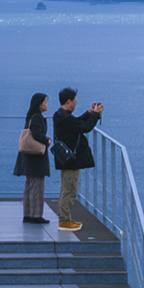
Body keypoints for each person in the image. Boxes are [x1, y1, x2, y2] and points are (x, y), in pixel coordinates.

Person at [51, 88, 104, 232]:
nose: (75, 104)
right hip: (71, 160)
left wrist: (89, 113)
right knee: (70, 189)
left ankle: (65, 217)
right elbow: (85, 127)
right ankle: (64, 221)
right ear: (68, 102)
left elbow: (77, 122)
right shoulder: (65, 118)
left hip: (66, 158)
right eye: (74, 101)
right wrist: (96, 115)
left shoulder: (60, 115)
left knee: (66, 188)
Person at [14, 91, 53, 224]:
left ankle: (28, 214)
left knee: (29, 185)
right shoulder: (37, 117)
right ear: (39, 104)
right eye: (45, 102)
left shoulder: (30, 116)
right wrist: (47, 140)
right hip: (36, 157)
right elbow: (36, 134)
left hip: (28, 157)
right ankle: (36, 215)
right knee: (37, 186)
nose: (47, 104)